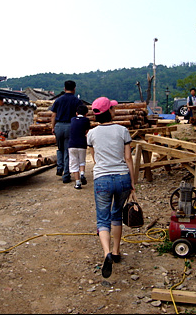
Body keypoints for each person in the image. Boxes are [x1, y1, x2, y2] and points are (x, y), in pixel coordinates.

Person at [86, 96, 136, 279]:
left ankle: (106, 252)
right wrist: (132, 183)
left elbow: (95, 159)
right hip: (122, 177)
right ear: (110, 111)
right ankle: (116, 252)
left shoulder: (91, 134)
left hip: (102, 179)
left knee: (102, 219)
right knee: (117, 214)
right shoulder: (123, 131)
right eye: (113, 108)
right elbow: (129, 158)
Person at [50, 80, 83, 183]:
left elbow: (53, 115)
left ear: (64, 88)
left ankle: (60, 168)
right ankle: (66, 175)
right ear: (74, 89)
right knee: (68, 151)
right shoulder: (77, 101)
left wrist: (53, 127)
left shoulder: (58, 100)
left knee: (60, 148)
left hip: (59, 126)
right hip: (70, 126)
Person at [68, 104, 91, 189]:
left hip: (72, 144)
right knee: (81, 161)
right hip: (82, 144)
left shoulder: (72, 119)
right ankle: (82, 174)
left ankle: (77, 183)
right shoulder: (86, 120)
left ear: (76, 113)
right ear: (86, 113)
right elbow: (86, 131)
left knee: (74, 163)